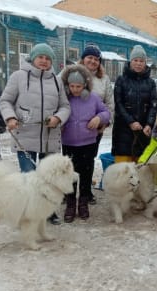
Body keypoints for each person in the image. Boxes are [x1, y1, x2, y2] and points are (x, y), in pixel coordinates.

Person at [0, 43, 71, 225]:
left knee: (51, 178)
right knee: (29, 178)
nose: (44, 61)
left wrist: (58, 118)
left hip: (50, 138)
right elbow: (5, 100)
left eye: (48, 58)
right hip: (25, 136)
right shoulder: (18, 77)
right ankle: (29, 213)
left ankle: (49, 211)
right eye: (41, 57)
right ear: (33, 58)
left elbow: (65, 106)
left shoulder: (56, 80)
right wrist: (10, 118)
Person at [60, 64, 110, 222]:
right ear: (67, 85)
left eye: (79, 86)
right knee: (70, 176)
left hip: (88, 143)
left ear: (85, 85)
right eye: (72, 86)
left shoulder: (93, 98)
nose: (75, 89)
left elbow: (106, 112)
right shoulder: (64, 99)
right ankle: (70, 204)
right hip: (68, 143)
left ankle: (83, 203)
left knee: (86, 174)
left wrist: (98, 118)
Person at [78, 43, 114, 204]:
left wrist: (105, 122)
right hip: (73, 128)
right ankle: (69, 193)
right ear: (83, 59)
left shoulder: (103, 79)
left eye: (96, 59)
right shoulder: (71, 73)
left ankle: (86, 192)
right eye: (89, 58)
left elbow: (109, 103)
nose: (93, 61)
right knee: (71, 160)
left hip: (95, 128)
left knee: (88, 160)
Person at [111, 44, 157, 163]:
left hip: (142, 131)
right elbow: (118, 103)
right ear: (130, 61)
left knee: (141, 171)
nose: (138, 63)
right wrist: (130, 121)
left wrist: (149, 124)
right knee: (123, 172)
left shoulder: (150, 83)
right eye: (135, 60)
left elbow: (153, 106)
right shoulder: (121, 80)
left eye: (141, 61)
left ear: (145, 63)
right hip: (123, 131)